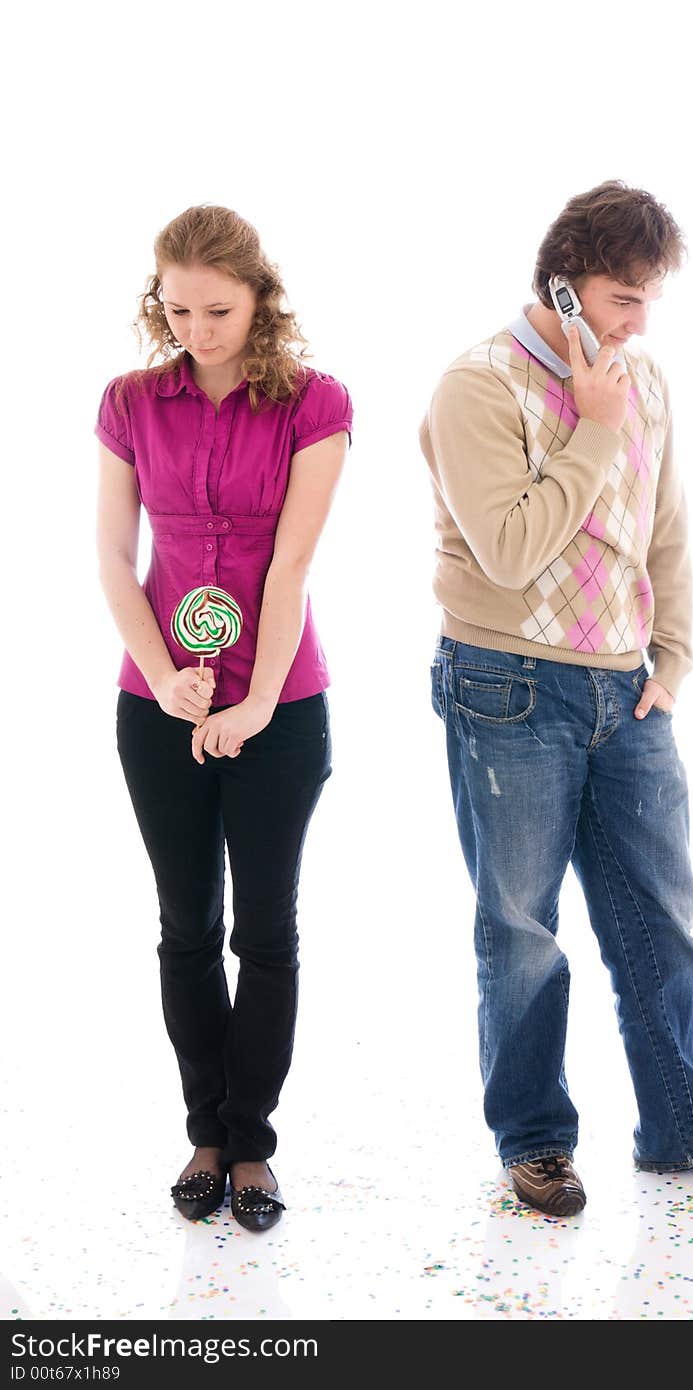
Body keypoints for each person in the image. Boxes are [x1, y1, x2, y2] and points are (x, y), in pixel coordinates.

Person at [420, 181, 693, 1217]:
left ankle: (688, 1124)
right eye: (623, 298)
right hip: (507, 684)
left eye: (649, 301)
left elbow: (663, 525)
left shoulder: (646, 378)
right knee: (521, 931)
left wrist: (671, 658)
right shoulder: (477, 384)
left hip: (627, 689)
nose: (638, 322)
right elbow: (508, 551)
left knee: (662, 921)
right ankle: (536, 1143)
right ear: (562, 282)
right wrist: (589, 427)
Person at [96, 205, 352, 1232]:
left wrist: (250, 700)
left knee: (267, 931)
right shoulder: (128, 402)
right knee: (185, 928)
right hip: (155, 702)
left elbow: (290, 565)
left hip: (278, 705)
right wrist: (164, 678)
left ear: (259, 300)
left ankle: (253, 1145)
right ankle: (204, 1133)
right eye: (177, 308)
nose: (195, 329)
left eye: (217, 309)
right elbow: (114, 559)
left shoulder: (313, 403)